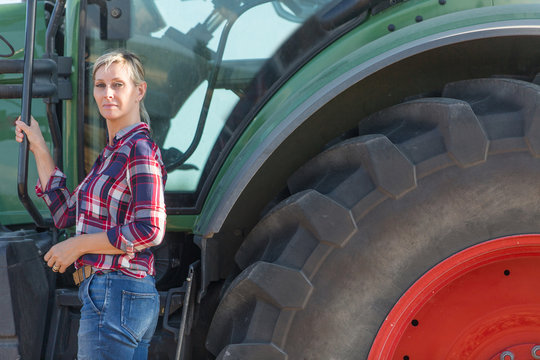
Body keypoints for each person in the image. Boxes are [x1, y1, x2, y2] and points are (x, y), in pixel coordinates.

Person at [14, 49, 166, 360]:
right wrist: (39, 147)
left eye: (118, 84)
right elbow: (65, 213)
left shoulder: (139, 148)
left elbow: (150, 229)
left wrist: (79, 245)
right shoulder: (112, 153)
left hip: (115, 292)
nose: (107, 93)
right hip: (117, 295)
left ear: (140, 91)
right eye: (100, 85)